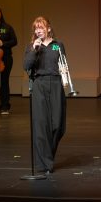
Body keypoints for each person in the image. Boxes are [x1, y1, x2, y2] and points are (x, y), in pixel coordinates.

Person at [23, 16, 67, 175]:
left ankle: (47, 156)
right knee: (41, 125)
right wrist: (35, 50)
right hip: (39, 84)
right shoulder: (32, 46)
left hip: (56, 84)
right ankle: (45, 164)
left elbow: (63, 64)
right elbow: (26, 66)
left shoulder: (58, 45)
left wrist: (66, 80)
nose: (38, 30)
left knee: (58, 125)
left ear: (48, 28)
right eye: (36, 28)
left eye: (41, 27)